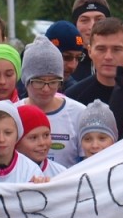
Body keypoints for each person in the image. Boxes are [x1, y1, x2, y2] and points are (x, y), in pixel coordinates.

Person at [20, 37, 85, 167]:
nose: (46, 89)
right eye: (38, 82)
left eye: (53, 82)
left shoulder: (79, 113)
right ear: (26, 80)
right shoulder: (13, 114)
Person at [65, 18, 123, 136]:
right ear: (89, 51)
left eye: (116, 49)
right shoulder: (73, 97)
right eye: (101, 49)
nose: (108, 57)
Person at [66, 0, 110, 86]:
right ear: (75, 25)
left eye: (99, 20)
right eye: (84, 20)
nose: (92, 26)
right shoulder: (65, 64)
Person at [16, 105, 65, 177]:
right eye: (33, 137)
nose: (42, 143)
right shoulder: (7, 175)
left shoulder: (61, 173)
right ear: (17, 141)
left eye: (46, 135)